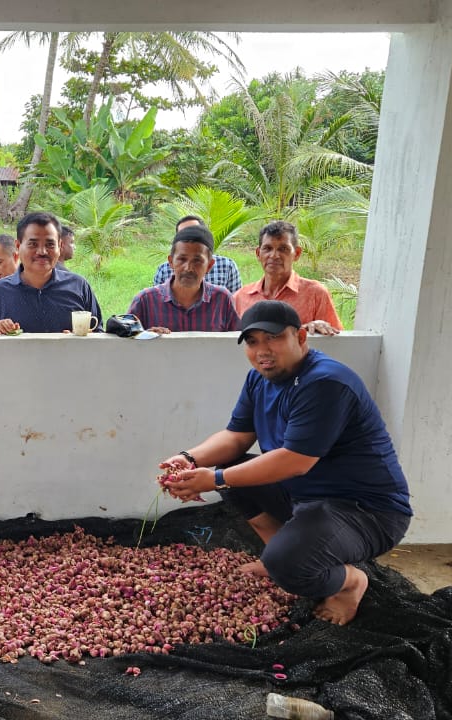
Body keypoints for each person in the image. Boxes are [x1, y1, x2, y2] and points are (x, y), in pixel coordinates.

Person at [160, 301, 411, 626]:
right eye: (252, 342)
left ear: (301, 337)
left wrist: (215, 478)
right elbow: (236, 437)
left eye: (273, 338)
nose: (262, 350)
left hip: (366, 511)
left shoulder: (325, 383)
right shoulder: (258, 380)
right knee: (233, 468)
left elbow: (295, 461)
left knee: (287, 564)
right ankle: (278, 552)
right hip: (307, 498)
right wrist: (189, 459)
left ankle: (350, 582)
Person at [0, 212, 102, 335]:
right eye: (33, 244)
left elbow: (100, 339)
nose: (42, 252)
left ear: (60, 246)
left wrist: (80, 339)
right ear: (18, 246)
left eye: (50, 244)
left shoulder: (79, 287)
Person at [233, 220, 342, 336]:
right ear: (258, 254)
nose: (274, 255)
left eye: (283, 249)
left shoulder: (315, 294)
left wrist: (318, 327)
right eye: (267, 248)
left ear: (297, 254)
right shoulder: (241, 297)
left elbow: (339, 342)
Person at [127, 225, 240, 334]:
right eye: (182, 259)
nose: (188, 268)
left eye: (197, 261)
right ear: (171, 262)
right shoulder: (145, 301)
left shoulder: (222, 300)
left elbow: (237, 344)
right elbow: (125, 343)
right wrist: (145, 337)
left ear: (209, 265)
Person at [153, 215, 242, 293]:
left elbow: (237, 303)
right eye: (184, 234)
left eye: (195, 232)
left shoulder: (227, 266)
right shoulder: (164, 270)